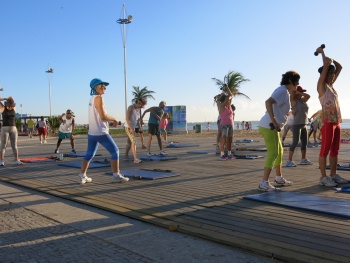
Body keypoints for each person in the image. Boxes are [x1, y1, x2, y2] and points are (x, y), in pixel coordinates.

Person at [79, 78, 129, 184]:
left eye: (104, 86)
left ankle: (83, 176)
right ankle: (116, 175)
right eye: (102, 86)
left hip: (92, 133)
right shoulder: (99, 98)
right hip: (100, 132)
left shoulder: (91, 99)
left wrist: (109, 121)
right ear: (95, 88)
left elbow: (98, 117)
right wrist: (114, 119)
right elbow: (103, 116)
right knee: (115, 151)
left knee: (89, 154)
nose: (104, 88)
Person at [258, 71, 300, 191]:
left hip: (272, 126)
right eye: (297, 82)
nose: (297, 85)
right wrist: (275, 121)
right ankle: (264, 182)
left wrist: (289, 114)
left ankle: (278, 178)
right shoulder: (282, 91)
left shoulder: (283, 91)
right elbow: (268, 102)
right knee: (273, 153)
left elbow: (278, 108)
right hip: (269, 125)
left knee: (280, 152)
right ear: (291, 81)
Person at [316, 48, 348, 186]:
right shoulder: (321, 86)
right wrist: (322, 54)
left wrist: (331, 59)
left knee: (335, 149)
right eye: (331, 74)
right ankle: (323, 177)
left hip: (336, 121)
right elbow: (325, 69)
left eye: (333, 75)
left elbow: (340, 67)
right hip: (327, 122)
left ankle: (333, 174)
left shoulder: (331, 86)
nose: (333, 76)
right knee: (325, 149)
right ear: (326, 74)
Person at [286, 86, 312, 167]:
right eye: (300, 92)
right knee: (295, 142)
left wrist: (300, 92)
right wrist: (296, 92)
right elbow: (291, 94)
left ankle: (303, 159)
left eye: (302, 93)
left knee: (305, 142)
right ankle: (289, 161)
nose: (302, 94)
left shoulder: (303, 100)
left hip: (304, 125)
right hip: (296, 124)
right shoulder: (294, 101)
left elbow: (308, 96)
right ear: (296, 93)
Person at [0, 97, 22, 166]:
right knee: (3, 145)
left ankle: (16, 160)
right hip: (5, 129)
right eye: (9, 106)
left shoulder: (14, 108)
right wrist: (5, 98)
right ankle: (1, 161)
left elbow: (12, 98)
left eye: (11, 106)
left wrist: (10, 99)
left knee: (14, 145)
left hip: (13, 128)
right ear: (6, 105)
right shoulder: (3, 108)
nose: (10, 107)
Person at [217, 84, 235, 160]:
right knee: (223, 140)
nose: (229, 101)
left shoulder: (229, 106)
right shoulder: (221, 106)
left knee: (230, 140)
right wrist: (222, 95)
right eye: (227, 99)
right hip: (224, 125)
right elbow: (228, 98)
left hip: (230, 124)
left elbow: (231, 95)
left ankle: (229, 154)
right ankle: (222, 154)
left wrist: (227, 87)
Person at [124, 99, 143, 164]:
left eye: (141, 104)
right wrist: (131, 128)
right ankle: (135, 158)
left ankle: (126, 155)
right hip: (128, 127)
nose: (140, 105)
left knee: (129, 142)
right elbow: (127, 119)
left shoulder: (138, 109)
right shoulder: (131, 107)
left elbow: (137, 120)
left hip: (133, 127)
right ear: (136, 102)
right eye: (139, 104)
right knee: (133, 141)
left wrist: (140, 127)